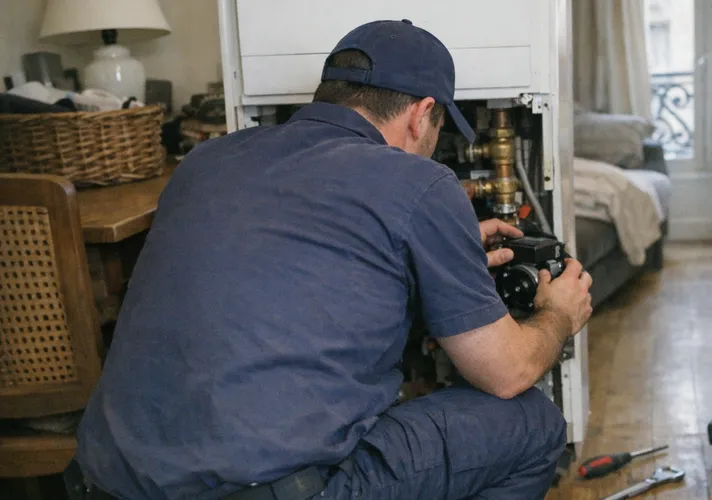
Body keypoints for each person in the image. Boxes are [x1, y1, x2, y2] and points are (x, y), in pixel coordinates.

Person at [66, 19, 592, 500]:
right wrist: (559, 315)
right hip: (264, 491)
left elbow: (286, 266)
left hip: (105, 481)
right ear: (422, 114)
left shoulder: (206, 159)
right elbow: (507, 372)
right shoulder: (421, 182)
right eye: (438, 131)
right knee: (533, 424)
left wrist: (438, 252)